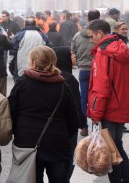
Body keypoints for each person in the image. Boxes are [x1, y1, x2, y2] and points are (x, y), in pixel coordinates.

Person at [8, 46, 80, 183]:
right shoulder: (63, 86)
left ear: (33, 63)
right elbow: (73, 120)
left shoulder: (22, 83)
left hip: (27, 142)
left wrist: (18, 130)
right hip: (57, 143)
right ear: (53, 61)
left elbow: (11, 111)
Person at [87, 19, 129, 183]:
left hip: (109, 108)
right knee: (116, 146)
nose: (91, 40)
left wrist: (95, 113)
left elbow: (101, 87)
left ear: (100, 33)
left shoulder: (103, 54)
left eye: (92, 36)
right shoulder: (121, 47)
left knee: (113, 150)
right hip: (120, 105)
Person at [53, 46, 85, 179]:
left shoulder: (53, 75)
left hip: (52, 126)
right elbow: (76, 105)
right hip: (67, 127)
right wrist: (82, 124)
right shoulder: (69, 79)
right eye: (71, 55)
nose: (74, 57)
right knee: (67, 161)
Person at [70, 9, 100, 136]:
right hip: (98, 70)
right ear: (99, 18)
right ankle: (97, 127)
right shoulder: (101, 33)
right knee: (98, 98)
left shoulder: (78, 35)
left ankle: (83, 127)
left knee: (83, 99)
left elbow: (73, 51)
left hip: (83, 70)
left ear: (87, 18)